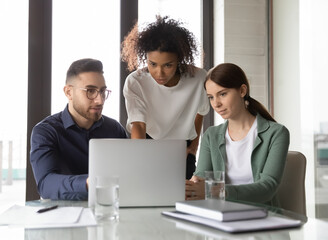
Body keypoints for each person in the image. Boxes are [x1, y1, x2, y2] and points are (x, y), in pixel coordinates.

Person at [185, 63, 290, 207]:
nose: (216, 104)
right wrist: (192, 185)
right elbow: (201, 176)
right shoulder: (211, 135)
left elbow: (268, 187)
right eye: (211, 97)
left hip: (263, 217)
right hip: (221, 215)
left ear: (242, 91)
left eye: (222, 94)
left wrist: (216, 192)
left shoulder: (276, 133)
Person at [121, 16, 210, 179]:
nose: (159, 73)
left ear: (179, 60)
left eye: (168, 65)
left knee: (183, 198)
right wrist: (138, 159)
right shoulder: (135, 82)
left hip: (182, 148)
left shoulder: (198, 78)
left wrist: (194, 147)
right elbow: (138, 125)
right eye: (152, 64)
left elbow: (201, 112)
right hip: (146, 143)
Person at [30, 58, 127, 200]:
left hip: (107, 210)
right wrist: (89, 183)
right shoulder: (46, 132)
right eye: (90, 91)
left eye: (102, 91)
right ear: (68, 92)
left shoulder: (115, 129)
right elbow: (46, 185)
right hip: (62, 216)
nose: (99, 100)